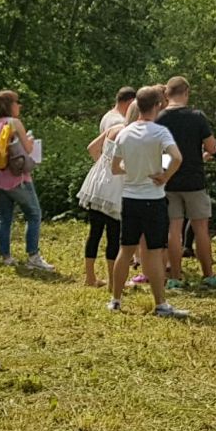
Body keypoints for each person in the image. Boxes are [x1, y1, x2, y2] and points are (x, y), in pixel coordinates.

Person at [109, 84, 187, 319]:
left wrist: (132, 171)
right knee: (153, 252)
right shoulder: (159, 132)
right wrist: (164, 175)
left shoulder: (125, 132)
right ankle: (160, 303)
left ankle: (115, 299)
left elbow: (114, 168)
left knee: (126, 250)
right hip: (153, 198)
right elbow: (177, 157)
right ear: (157, 106)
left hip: (130, 197)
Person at [157, 76, 216, 291]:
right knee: (200, 228)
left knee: (174, 228)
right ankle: (208, 276)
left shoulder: (160, 117)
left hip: (168, 179)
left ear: (167, 94)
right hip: (194, 179)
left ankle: (174, 275)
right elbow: (212, 148)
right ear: (186, 92)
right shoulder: (196, 116)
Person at [0, 89, 52, 272]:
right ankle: (33, 256)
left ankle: (5, 256)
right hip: (17, 178)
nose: (19, 105)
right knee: (34, 214)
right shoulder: (14, 123)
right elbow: (28, 149)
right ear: (9, 105)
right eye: (17, 102)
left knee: (4, 217)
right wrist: (30, 139)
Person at [82, 87, 138, 287]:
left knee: (95, 232)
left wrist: (102, 165)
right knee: (114, 234)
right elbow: (124, 165)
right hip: (114, 188)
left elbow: (92, 148)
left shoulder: (113, 128)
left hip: (97, 183)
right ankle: (114, 282)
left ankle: (90, 277)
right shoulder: (128, 133)